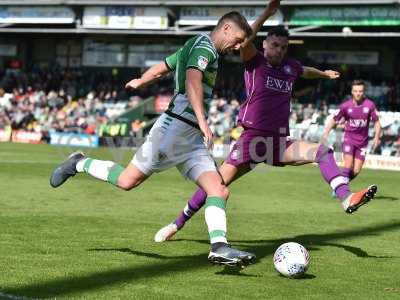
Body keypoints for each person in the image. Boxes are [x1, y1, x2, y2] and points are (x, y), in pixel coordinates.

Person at [49, 9, 265, 268]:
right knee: (127, 180)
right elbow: (193, 80)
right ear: (226, 29)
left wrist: (141, 80)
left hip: (190, 139)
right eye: (238, 39)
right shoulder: (204, 48)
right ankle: (78, 163)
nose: (239, 46)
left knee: (219, 190)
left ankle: (219, 247)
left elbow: (164, 66)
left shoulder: (199, 46)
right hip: (172, 130)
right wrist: (204, 121)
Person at [154, 26, 378, 243]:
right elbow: (246, 38)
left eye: (283, 47)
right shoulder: (255, 61)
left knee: (323, 152)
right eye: (275, 45)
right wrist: (268, 13)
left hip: (278, 142)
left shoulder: (291, 66)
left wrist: (323, 74)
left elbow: (305, 71)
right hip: (253, 141)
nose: (279, 50)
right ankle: (177, 223)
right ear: (265, 44)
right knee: (216, 183)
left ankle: (346, 197)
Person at [322, 80, 382, 184]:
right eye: (356, 91)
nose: (358, 93)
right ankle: (341, 190)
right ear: (352, 92)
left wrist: (377, 137)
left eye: (360, 91)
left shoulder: (370, 105)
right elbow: (334, 119)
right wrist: (326, 132)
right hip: (349, 139)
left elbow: (377, 122)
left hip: (362, 142)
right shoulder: (346, 106)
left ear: (364, 92)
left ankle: (339, 183)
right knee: (348, 165)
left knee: (356, 170)